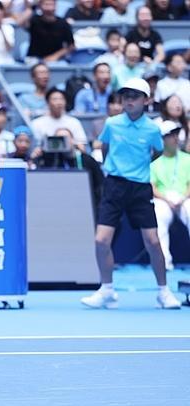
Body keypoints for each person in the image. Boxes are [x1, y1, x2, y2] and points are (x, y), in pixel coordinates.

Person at [80, 77, 182, 309]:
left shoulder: (153, 129)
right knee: (101, 240)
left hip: (140, 189)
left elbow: (156, 152)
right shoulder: (112, 124)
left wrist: (137, 169)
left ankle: (163, 292)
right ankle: (107, 290)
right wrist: (117, 169)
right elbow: (105, 149)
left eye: (135, 96)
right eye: (126, 96)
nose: (129, 100)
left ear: (146, 101)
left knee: (153, 241)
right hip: (114, 186)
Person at [150, 121, 190, 270]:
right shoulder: (154, 164)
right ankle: (164, 261)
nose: (175, 138)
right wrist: (167, 200)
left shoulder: (188, 159)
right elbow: (153, 188)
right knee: (158, 214)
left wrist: (183, 198)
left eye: (176, 134)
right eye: (170, 135)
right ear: (162, 139)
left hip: (184, 198)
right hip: (163, 200)